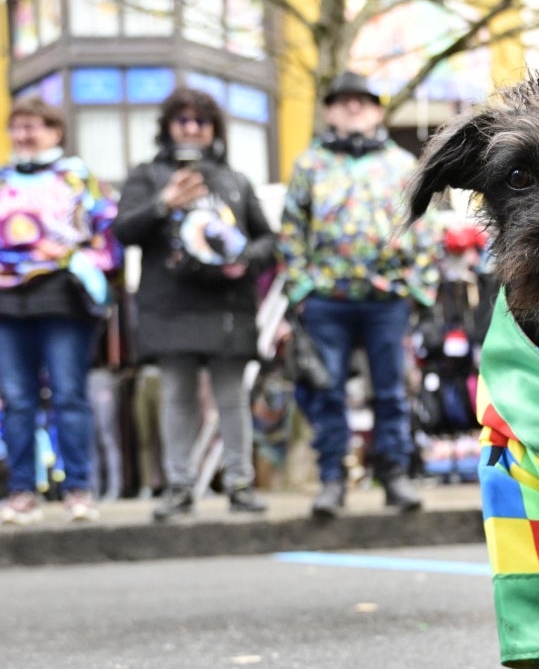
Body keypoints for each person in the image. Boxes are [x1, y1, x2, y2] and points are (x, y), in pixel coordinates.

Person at [280, 71, 440, 519]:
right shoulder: (309, 164)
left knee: (390, 391)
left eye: (363, 101)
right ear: (329, 109)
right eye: (343, 100)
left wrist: (420, 290)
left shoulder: (401, 164)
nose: (354, 107)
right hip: (327, 298)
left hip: (386, 299)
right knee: (327, 391)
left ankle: (394, 476)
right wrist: (301, 287)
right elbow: (291, 230)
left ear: (377, 110)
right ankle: (332, 479)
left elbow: (423, 227)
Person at [113, 87, 278, 522]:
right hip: (170, 306)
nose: (190, 128)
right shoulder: (147, 176)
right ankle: (180, 486)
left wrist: (244, 261)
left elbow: (268, 240)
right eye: (181, 120)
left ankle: (240, 483)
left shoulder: (235, 179)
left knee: (231, 396)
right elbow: (123, 231)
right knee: (177, 396)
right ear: (167, 127)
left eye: (200, 121)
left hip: (226, 304)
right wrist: (163, 203)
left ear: (213, 129)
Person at [0, 96, 119, 524]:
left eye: (35, 126)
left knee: (69, 395)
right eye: (19, 126)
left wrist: (78, 261)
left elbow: (107, 235)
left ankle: (78, 489)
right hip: (7, 303)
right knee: (16, 400)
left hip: (62, 298)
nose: (25, 134)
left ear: (56, 131)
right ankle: (21, 492)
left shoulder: (77, 177)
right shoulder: (3, 178)